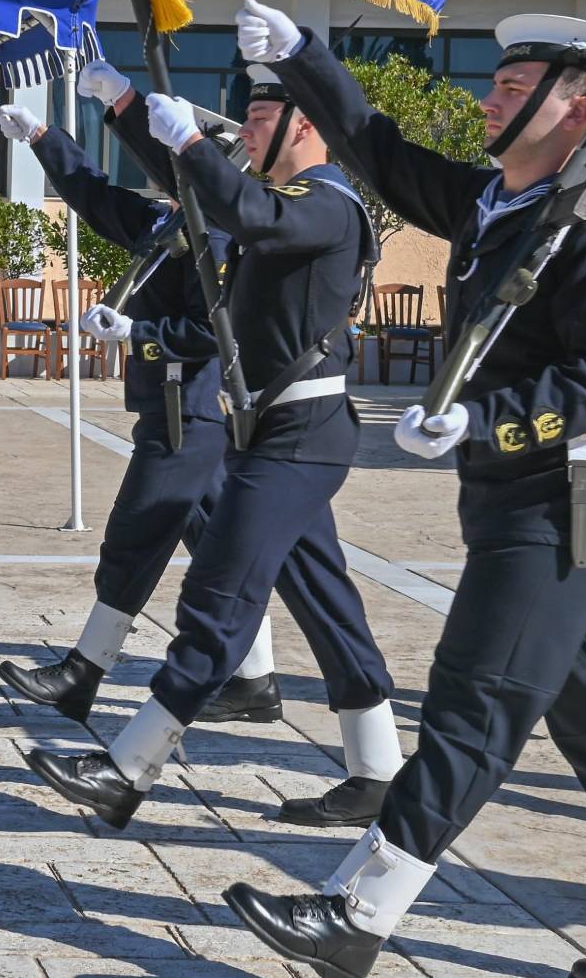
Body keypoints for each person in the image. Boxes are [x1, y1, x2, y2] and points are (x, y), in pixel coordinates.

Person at [223, 3, 586, 978]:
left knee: (474, 697)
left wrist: (488, 419)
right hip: (514, 498)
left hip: (567, 499)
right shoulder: (499, 204)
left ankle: (358, 912)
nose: (490, 97)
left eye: (514, 89)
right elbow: (379, 151)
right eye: (499, 81)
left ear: (576, 107)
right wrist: (304, 57)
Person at [24, 62, 403, 833]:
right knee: (327, 599)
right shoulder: (274, 202)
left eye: (261, 119)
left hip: (300, 430)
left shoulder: (327, 206)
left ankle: (128, 767)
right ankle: (378, 769)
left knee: (216, 600)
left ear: (306, 126)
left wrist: (191, 140)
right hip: (273, 426)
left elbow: (237, 202)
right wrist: (127, 107)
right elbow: (193, 191)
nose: (249, 130)